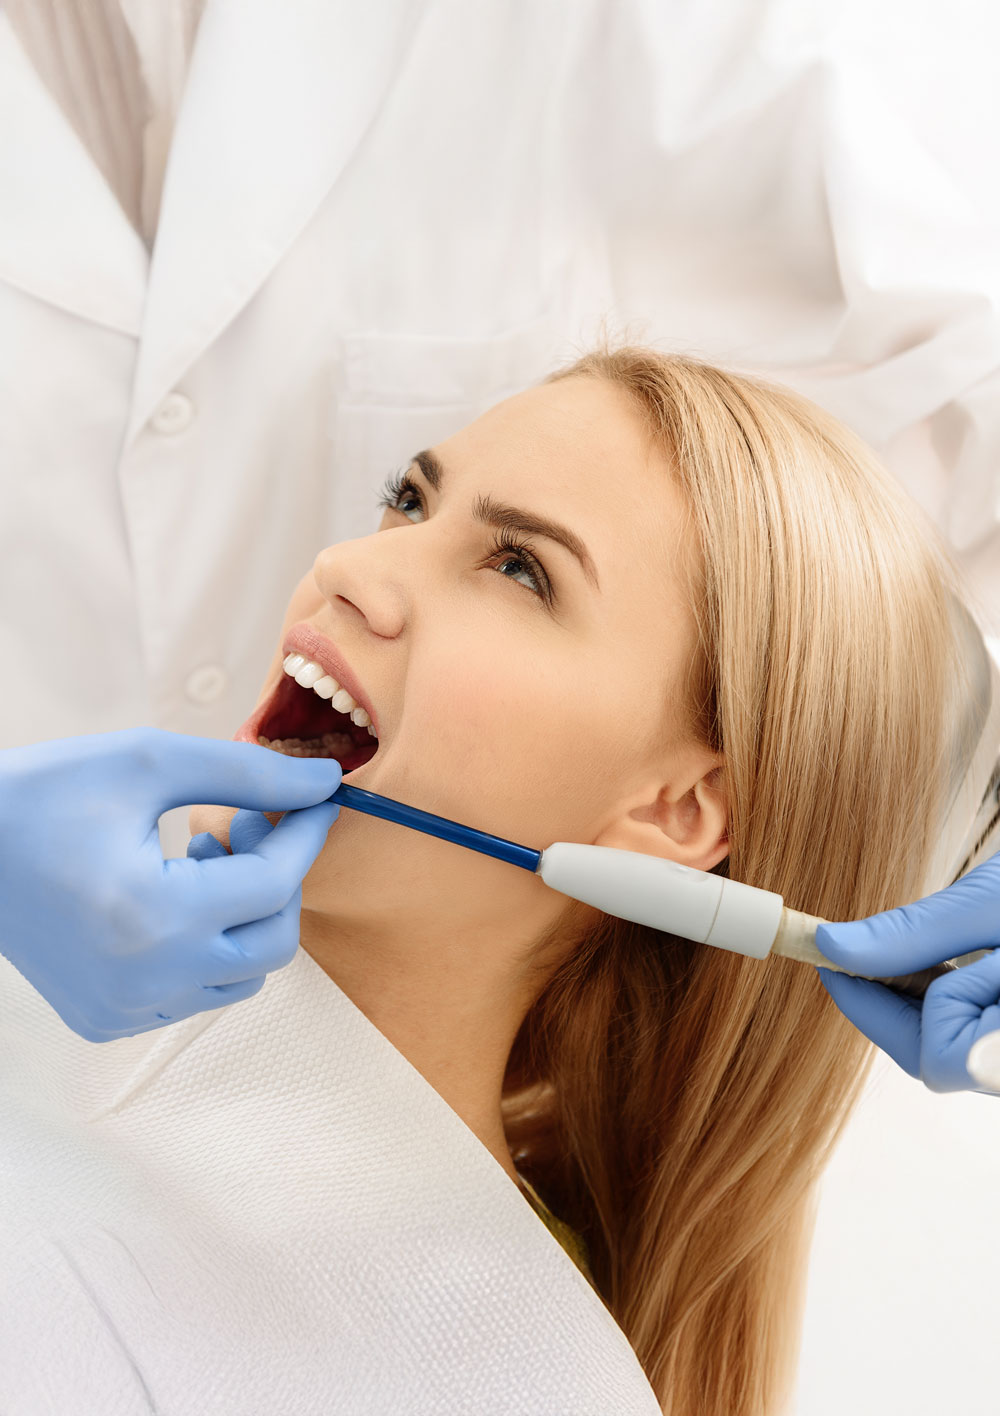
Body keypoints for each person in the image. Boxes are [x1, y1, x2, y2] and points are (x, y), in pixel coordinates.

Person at [182, 345, 993, 1411]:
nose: (351, 567)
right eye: (410, 499)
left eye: (519, 568)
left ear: (674, 814)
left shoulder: (500, 1370)